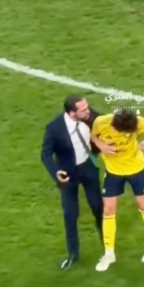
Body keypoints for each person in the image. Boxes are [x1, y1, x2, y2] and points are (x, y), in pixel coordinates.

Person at [89, 109, 144, 272]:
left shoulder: (138, 122)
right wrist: (100, 145)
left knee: (143, 204)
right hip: (113, 171)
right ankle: (109, 253)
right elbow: (92, 135)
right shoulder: (101, 122)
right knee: (108, 209)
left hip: (136, 169)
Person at [40, 95, 103, 269]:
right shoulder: (54, 128)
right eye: (83, 110)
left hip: (88, 168)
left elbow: (108, 123)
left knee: (98, 207)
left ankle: (108, 246)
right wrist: (56, 172)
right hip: (67, 174)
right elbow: (45, 155)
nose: (88, 111)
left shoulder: (91, 116)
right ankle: (73, 254)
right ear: (72, 113)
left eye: (87, 107)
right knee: (70, 214)